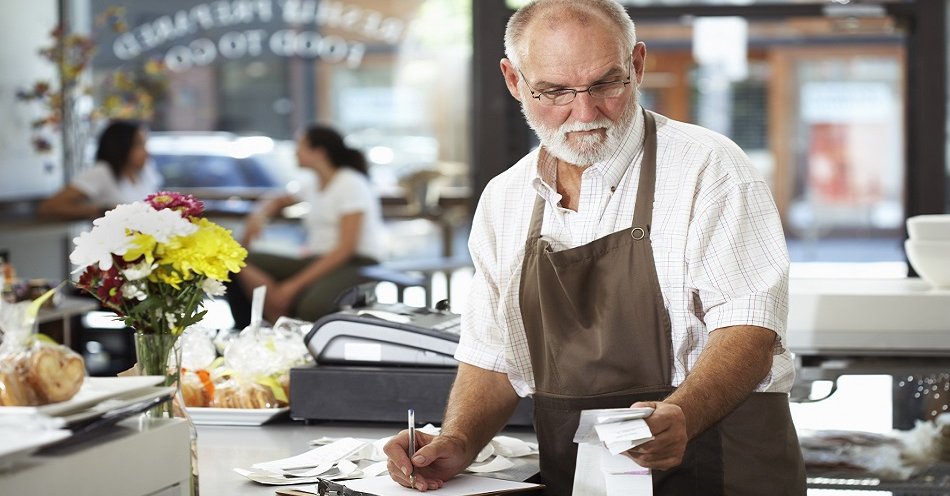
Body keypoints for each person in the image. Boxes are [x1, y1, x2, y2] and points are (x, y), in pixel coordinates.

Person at [383, 1, 806, 494]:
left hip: (723, 465)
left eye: (606, 84)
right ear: (514, 81)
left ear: (637, 65)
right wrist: (458, 439)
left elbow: (748, 329)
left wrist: (682, 415)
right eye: (555, 91)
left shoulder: (709, 169)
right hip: (584, 480)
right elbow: (494, 358)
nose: (584, 113)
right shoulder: (505, 198)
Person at [227, 124, 384, 327]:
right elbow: (278, 200)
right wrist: (258, 215)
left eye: (300, 146)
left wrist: (293, 286)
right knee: (238, 259)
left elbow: (346, 249)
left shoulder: (351, 183)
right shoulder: (313, 183)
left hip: (356, 261)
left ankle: (284, 322)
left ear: (318, 152)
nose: (295, 152)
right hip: (317, 257)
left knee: (310, 307)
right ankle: (277, 319)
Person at [38, 120, 160, 219]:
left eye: (144, 144)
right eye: (138, 145)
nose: (146, 151)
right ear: (121, 147)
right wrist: (103, 210)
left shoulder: (145, 172)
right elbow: (50, 207)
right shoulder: (103, 172)